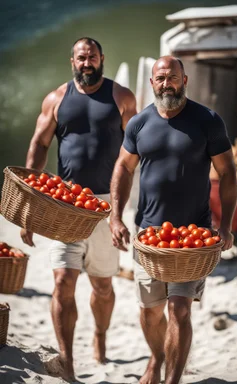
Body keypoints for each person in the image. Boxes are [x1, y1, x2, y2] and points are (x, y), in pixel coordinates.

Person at [110, 56, 237, 384]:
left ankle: (172, 380)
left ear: (185, 80)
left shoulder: (207, 120)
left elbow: (227, 173)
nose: (167, 84)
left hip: (193, 236)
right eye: (160, 78)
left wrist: (225, 226)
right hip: (149, 235)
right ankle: (156, 357)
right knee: (150, 310)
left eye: (173, 77)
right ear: (152, 83)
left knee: (179, 308)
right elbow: (123, 167)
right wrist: (116, 216)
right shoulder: (139, 123)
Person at [20, 37, 137, 382]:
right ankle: (67, 359)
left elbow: (133, 155)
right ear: (72, 61)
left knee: (102, 286)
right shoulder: (57, 99)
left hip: (104, 205)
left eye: (93, 57)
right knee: (63, 281)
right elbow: (39, 144)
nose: (87, 63)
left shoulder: (122, 98)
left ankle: (99, 336)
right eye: (81, 58)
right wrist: (30, 204)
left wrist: (119, 211)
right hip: (66, 204)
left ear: (103, 58)